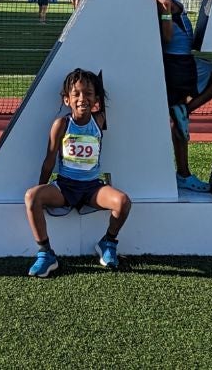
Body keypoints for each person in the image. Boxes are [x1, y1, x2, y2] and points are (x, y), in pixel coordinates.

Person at [24, 68, 131, 277]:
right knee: (31, 196)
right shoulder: (61, 124)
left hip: (92, 189)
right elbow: (49, 161)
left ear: (96, 99)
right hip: (65, 188)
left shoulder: (99, 121)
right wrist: (42, 187)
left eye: (88, 94)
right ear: (67, 100)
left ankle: (108, 242)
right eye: (77, 94)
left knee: (123, 202)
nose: (83, 98)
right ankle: (46, 254)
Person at [141, 0, 212, 193]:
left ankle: (181, 112)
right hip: (174, 64)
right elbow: (166, 38)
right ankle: (183, 173)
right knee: (179, 127)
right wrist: (166, 11)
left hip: (185, 61)